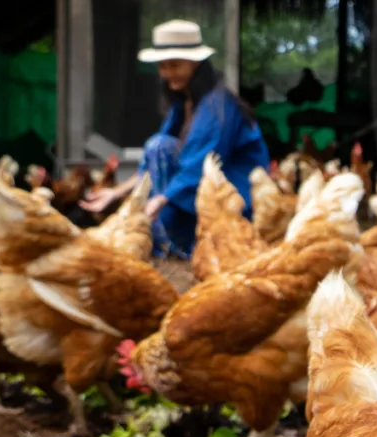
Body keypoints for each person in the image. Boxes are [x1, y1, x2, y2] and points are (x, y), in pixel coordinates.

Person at [81, 19, 270, 258]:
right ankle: (171, 238)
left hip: (234, 200)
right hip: (200, 194)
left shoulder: (218, 106)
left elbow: (198, 165)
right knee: (158, 146)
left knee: (159, 146)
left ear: (196, 63)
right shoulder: (184, 103)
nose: (167, 73)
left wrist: (158, 202)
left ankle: (177, 242)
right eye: (162, 66)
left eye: (174, 65)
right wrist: (117, 193)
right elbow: (155, 163)